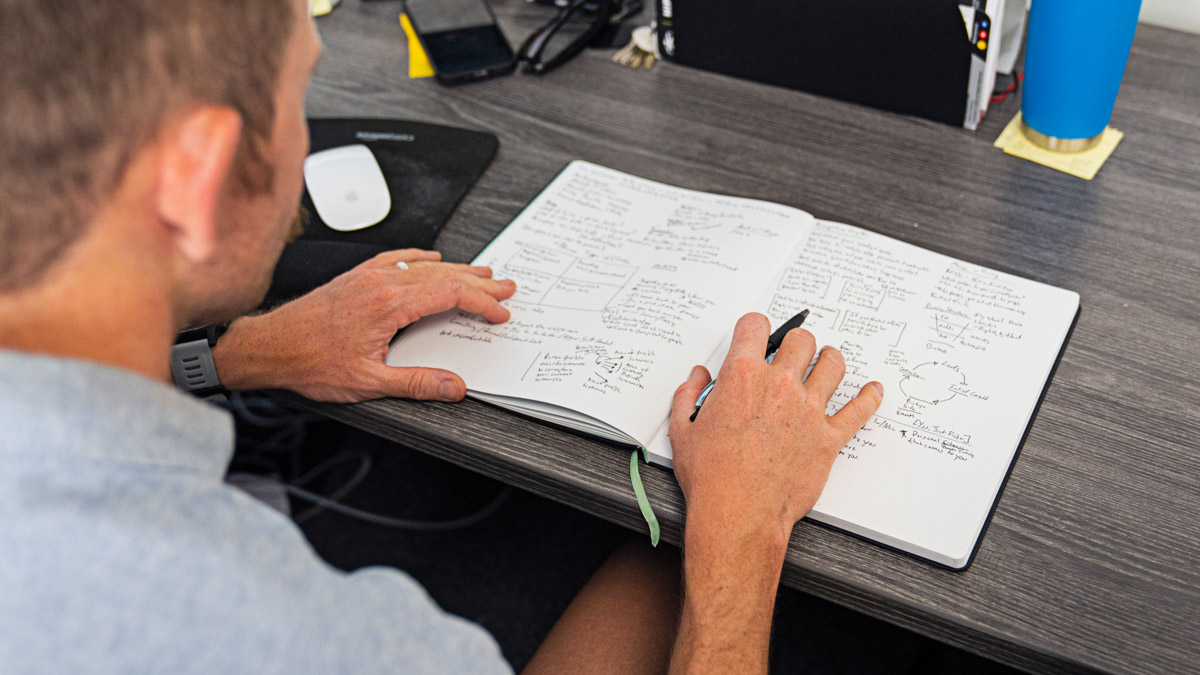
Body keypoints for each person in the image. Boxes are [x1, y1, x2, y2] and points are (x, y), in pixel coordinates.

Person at [0, 1, 883, 673]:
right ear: (193, 178)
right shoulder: (290, 631)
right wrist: (740, 532)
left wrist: (236, 354)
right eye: (297, 98)